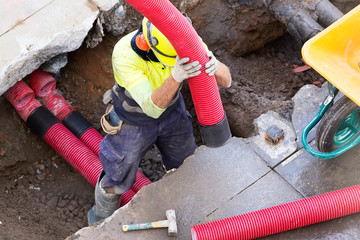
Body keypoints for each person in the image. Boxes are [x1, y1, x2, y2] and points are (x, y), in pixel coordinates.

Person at [87, 16, 232, 224]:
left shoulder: (187, 40)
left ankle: (182, 206)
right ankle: (100, 220)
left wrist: (215, 65)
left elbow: (226, 82)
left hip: (172, 113)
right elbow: (151, 108)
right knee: (117, 175)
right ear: (147, 46)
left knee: (185, 165)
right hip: (133, 120)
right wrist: (176, 76)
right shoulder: (124, 55)